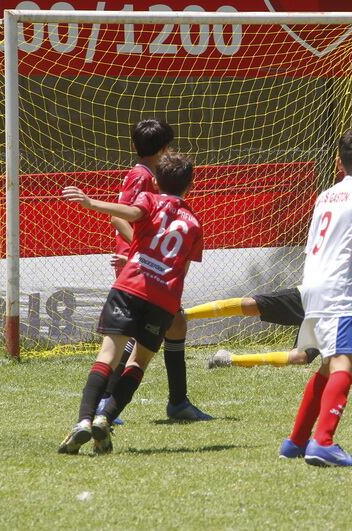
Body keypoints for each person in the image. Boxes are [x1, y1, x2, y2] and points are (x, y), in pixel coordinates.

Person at [57, 153, 205, 455]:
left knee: (108, 355)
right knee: (138, 362)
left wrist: (89, 203)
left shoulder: (149, 201)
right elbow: (180, 270)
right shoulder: (194, 224)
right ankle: (105, 419)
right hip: (164, 299)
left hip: (130, 285)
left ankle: (84, 421)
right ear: (190, 185)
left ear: (156, 180)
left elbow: (128, 213)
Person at [278, 128, 352, 467]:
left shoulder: (326, 195)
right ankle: (323, 442)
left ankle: (296, 441)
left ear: (339, 163)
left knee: (328, 364)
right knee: (345, 363)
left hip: (311, 285)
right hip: (337, 289)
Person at [192, 209, 352, 369]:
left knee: (300, 358)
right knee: (252, 305)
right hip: (310, 296)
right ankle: (185, 315)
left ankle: (228, 359)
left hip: (330, 317)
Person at [97, 118, 211, 422]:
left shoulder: (149, 175)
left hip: (148, 263)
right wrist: (142, 250)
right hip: (142, 267)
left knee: (173, 325)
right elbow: (119, 218)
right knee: (140, 330)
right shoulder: (142, 177)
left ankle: (177, 401)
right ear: (164, 148)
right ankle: (108, 400)